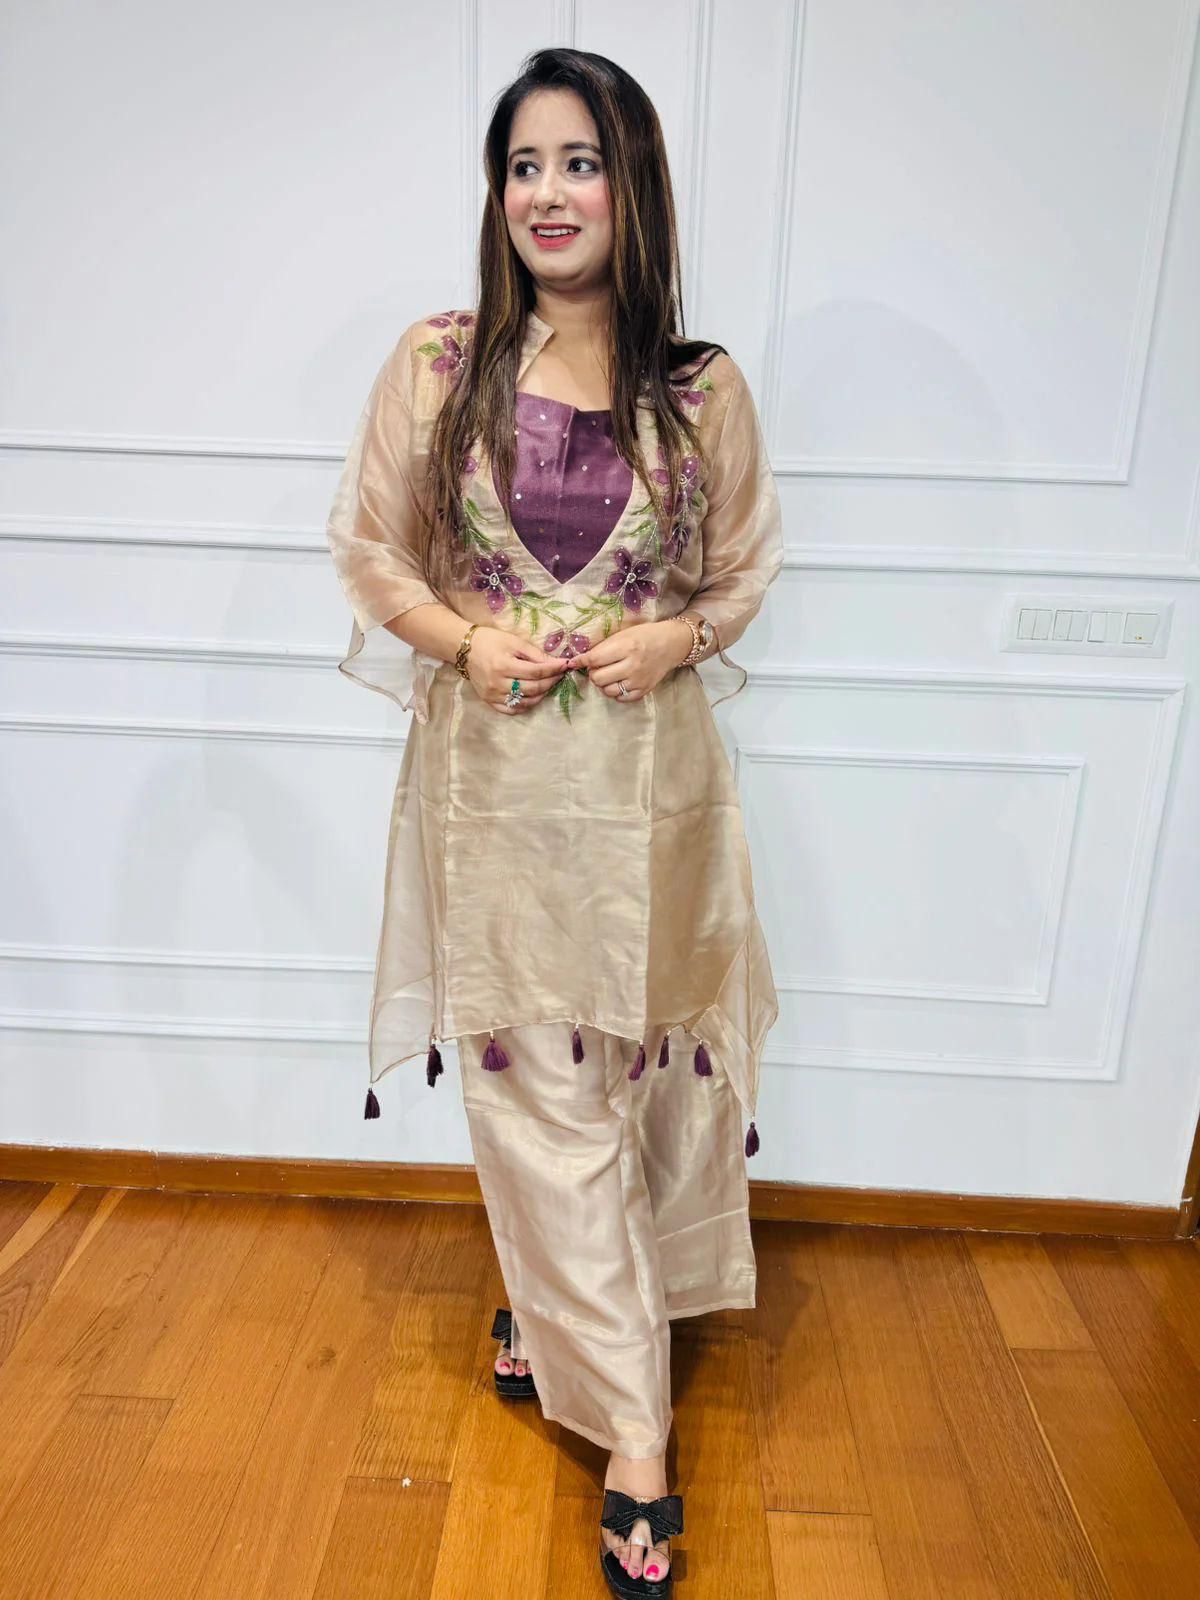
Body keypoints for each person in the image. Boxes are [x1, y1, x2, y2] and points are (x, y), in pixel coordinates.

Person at [325, 46, 783, 1598]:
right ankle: (637, 1434)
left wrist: (676, 638)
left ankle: (548, 1304)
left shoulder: (699, 390)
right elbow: (370, 548)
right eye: (523, 165)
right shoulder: (440, 366)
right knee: (541, 1093)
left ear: (632, 185)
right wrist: (465, 642)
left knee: (640, 1082)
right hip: (501, 802)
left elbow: (743, 572)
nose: (547, 193)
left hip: (653, 802)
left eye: (579, 162)